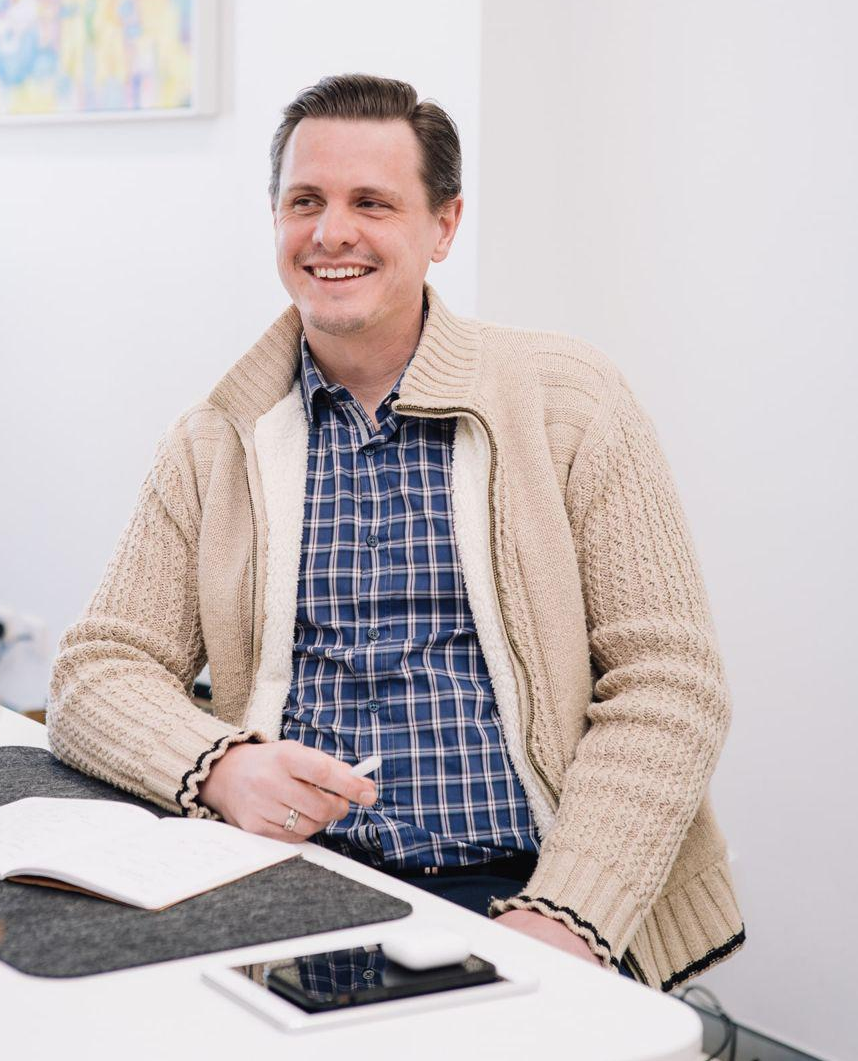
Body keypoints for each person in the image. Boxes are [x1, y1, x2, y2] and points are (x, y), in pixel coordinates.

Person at [48, 73, 743, 989]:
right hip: (286, 881)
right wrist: (220, 768)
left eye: (371, 203)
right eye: (306, 201)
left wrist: (567, 914)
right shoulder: (216, 437)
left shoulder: (569, 403)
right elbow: (95, 669)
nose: (332, 232)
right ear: (276, 220)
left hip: (518, 883)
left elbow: (672, 686)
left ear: (443, 227)